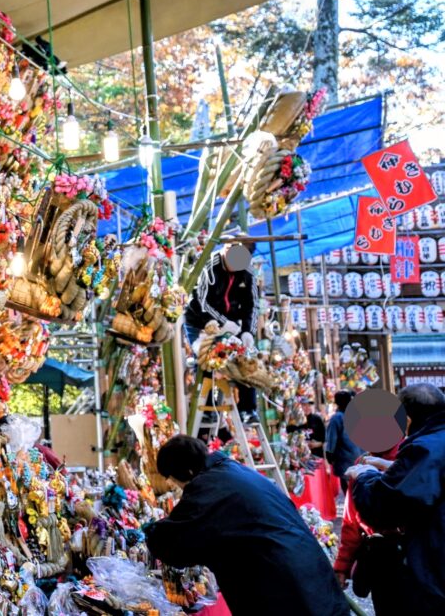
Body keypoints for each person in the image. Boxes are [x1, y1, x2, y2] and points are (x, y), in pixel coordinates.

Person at [144, 435, 348, 616]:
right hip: (313, 582)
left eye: (174, 480)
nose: (178, 488)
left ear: (187, 471)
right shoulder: (232, 470)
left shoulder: (208, 488)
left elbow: (173, 544)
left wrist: (149, 529)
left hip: (285, 593)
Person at [348, 383, 445, 612]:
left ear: (408, 421)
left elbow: (383, 507)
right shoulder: (435, 443)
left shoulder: (424, 449)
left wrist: (365, 476)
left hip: (435, 570)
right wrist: (395, 467)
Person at [184, 244, 261, 421]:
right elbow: (199, 300)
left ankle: (248, 409)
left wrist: (249, 331)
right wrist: (221, 322)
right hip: (199, 321)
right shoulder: (208, 266)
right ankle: (207, 410)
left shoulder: (248, 272)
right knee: (204, 358)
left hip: (232, 322)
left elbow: (253, 305)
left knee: (247, 356)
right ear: (226, 249)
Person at [332, 443, 399, 613]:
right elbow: (351, 519)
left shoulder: (413, 455)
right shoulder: (362, 461)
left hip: (414, 558)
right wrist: (342, 566)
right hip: (380, 558)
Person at [324, 390, 362, 492]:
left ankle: (351, 507)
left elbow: (332, 440)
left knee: (348, 489)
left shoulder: (336, 418)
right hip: (361, 457)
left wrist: (329, 455)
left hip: (345, 459)